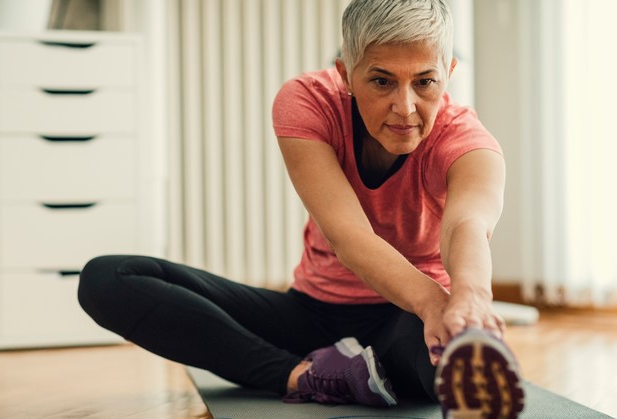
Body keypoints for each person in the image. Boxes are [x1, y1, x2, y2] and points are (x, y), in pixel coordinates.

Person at [78, 0, 525, 417]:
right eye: (381, 81)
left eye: (424, 82)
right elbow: (348, 237)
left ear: (448, 72)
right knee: (107, 279)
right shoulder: (308, 101)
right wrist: (435, 302)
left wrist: (469, 299)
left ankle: (428, 373)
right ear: (346, 74)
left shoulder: (467, 142)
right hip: (312, 315)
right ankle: (307, 375)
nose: (405, 107)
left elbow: (466, 224)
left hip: (405, 323)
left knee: (441, 359)